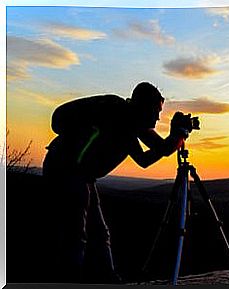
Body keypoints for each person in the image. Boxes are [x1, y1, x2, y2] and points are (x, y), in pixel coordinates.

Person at [42, 82, 195, 283]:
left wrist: (177, 136)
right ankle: (73, 279)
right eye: (156, 111)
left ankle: (109, 277)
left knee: (98, 232)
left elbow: (154, 152)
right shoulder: (119, 117)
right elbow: (149, 156)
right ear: (143, 107)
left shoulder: (132, 122)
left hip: (81, 176)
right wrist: (177, 137)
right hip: (66, 173)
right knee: (76, 235)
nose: (158, 117)